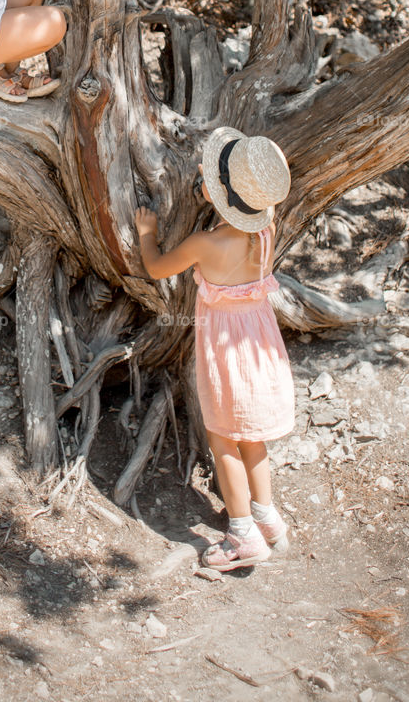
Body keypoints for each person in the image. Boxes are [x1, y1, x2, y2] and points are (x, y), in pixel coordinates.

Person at [134, 129, 294, 571]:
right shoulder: (266, 228)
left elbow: (155, 267)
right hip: (259, 346)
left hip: (225, 351)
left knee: (223, 436)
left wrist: (147, 231)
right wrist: (220, 185)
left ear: (221, 198)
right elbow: (258, 186)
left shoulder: (206, 244)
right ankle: (269, 518)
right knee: (252, 435)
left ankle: (242, 535)